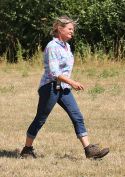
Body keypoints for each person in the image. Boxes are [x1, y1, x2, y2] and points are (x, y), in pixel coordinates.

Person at [20, 16, 109, 159]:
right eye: (70, 29)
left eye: (73, 29)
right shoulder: (52, 46)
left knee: (77, 116)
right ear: (60, 29)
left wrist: (68, 83)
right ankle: (27, 149)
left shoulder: (67, 46)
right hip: (50, 87)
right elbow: (54, 72)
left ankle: (89, 151)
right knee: (41, 119)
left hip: (63, 88)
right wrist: (72, 82)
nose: (72, 32)